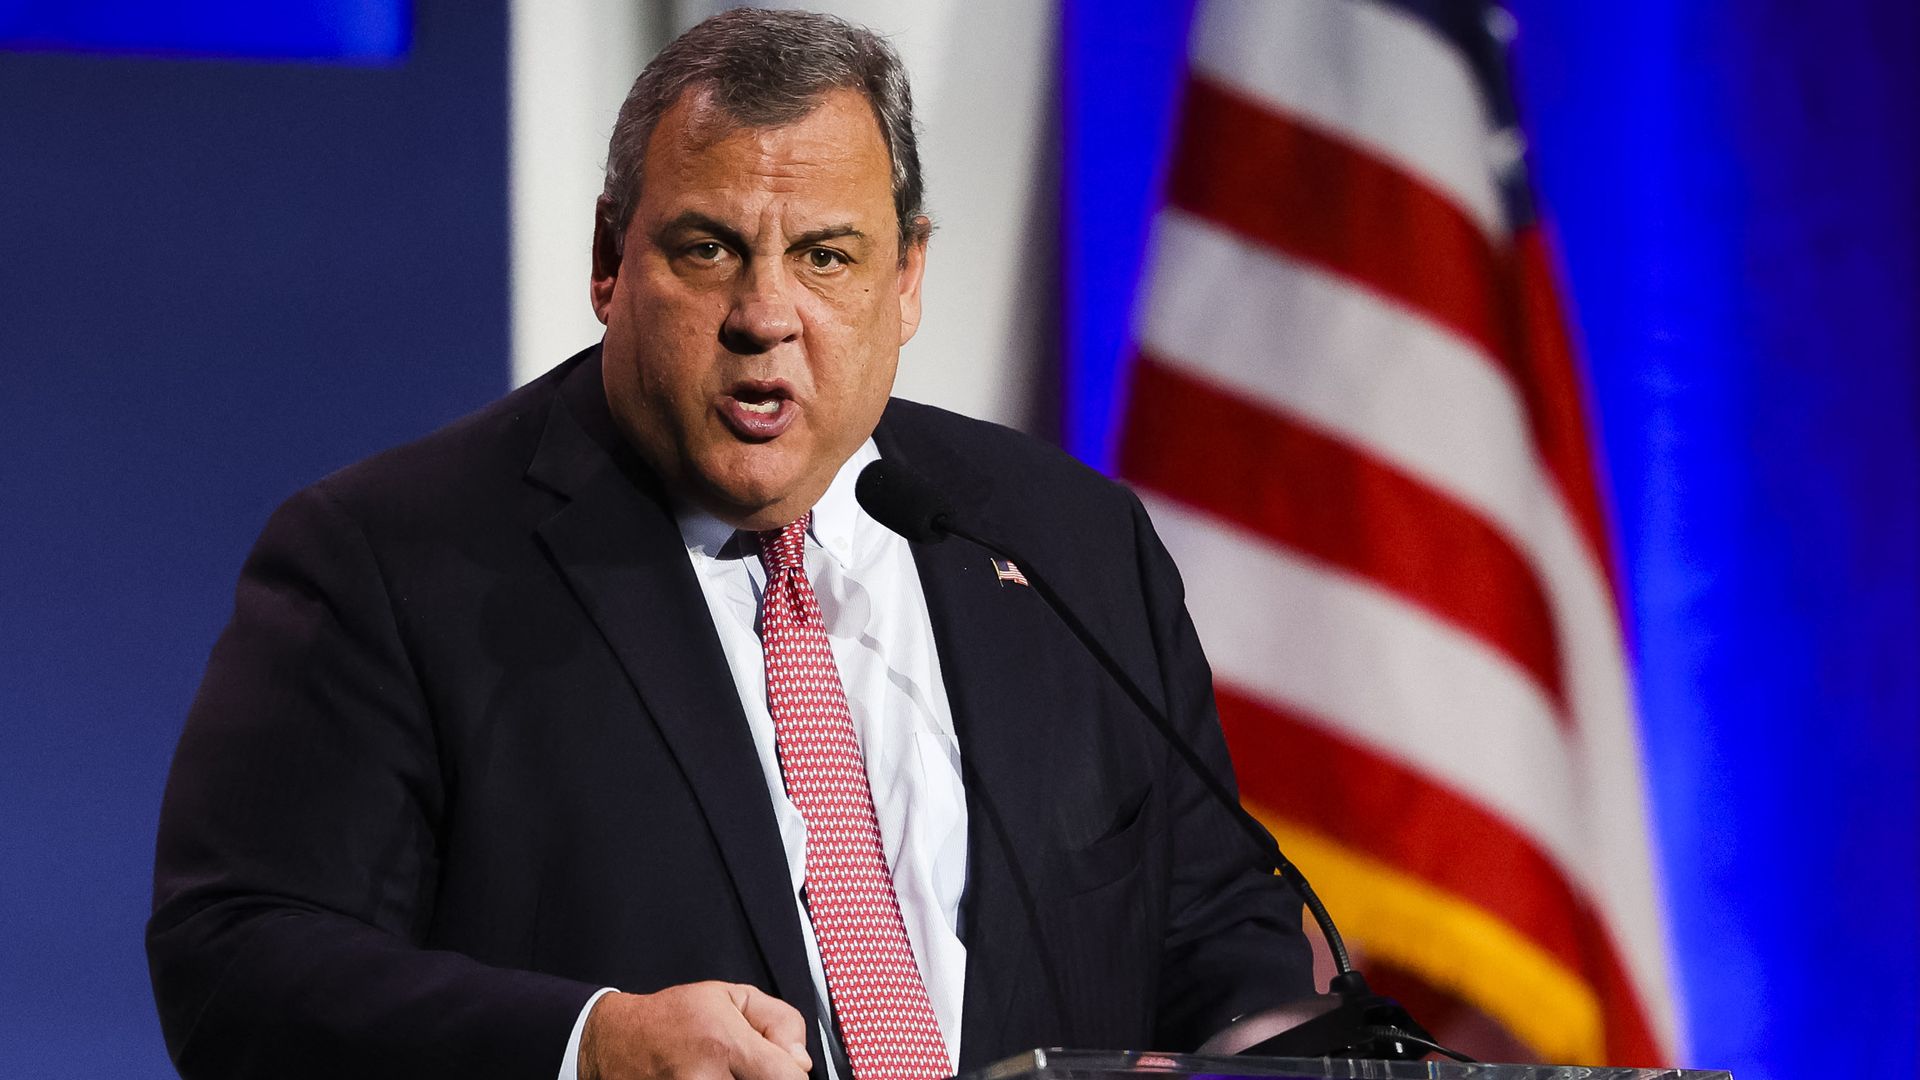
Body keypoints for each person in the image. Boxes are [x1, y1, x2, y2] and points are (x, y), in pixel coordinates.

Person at [147, 10, 1313, 1080]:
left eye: (827, 255)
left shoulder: (1067, 542)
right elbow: (237, 964)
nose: (765, 314)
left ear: (906, 278)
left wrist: (1234, 1056)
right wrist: (588, 1046)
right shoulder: (389, 561)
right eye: (708, 250)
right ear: (611, 259)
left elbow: (1216, 930)